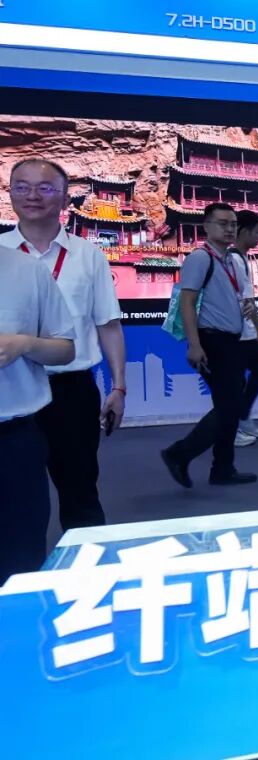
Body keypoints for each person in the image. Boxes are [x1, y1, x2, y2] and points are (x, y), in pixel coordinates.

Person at [1, 158, 126, 530]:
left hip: (70, 391)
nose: (32, 196)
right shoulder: (1, 253)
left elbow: (108, 324)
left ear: (65, 198)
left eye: (45, 188)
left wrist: (118, 387)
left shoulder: (88, 255)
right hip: (13, 392)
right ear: (10, 193)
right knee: (14, 502)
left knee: (80, 493)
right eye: (22, 187)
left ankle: (89, 562)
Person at [161, 203, 258, 487]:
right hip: (212, 341)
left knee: (228, 405)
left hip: (232, 341)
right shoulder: (199, 259)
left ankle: (223, 468)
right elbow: (187, 303)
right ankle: (179, 454)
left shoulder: (230, 260)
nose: (229, 229)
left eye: (233, 224)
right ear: (206, 226)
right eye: (223, 223)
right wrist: (194, 345)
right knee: (230, 406)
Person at [0, 245, 75, 583]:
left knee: (21, 563)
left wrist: (25, 345)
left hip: (13, 441)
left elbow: (65, 349)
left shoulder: (27, 270)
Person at [231, 210, 258, 445]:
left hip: (242, 332)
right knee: (250, 375)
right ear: (244, 232)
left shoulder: (239, 258)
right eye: (257, 233)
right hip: (238, 333)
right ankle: (235, 425)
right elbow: (247, 301)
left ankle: (242, 419)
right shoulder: (236, 260)